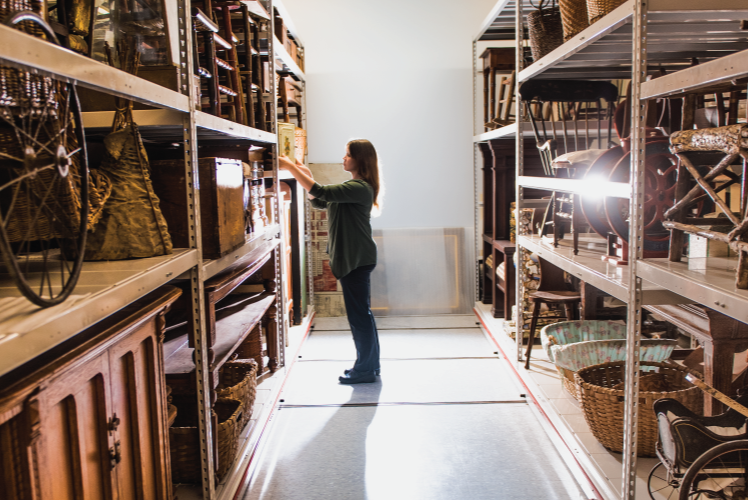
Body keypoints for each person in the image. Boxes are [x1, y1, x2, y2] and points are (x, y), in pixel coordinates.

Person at [278, 139, 382, 384]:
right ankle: (369, 366)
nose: (343, 159)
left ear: (359, 159)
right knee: (361, 315)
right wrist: (303, 171)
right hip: (355, 259)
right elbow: (321, 200)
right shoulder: (353, 187)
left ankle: (365, 369)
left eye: (347, 155)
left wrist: (292, 169)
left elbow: (321, 192)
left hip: (356, 260)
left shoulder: (359, 187)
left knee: (359, 316)